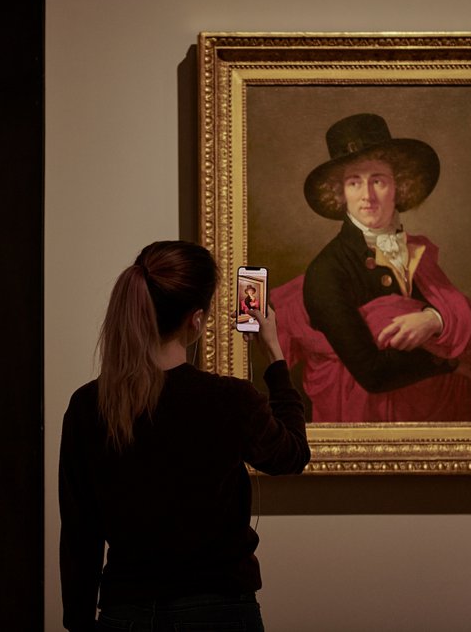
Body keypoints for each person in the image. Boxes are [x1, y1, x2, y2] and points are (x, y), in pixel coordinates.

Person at [59, 240, 310, 632]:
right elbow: (292, 456)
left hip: (126, 611)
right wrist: (274, 354)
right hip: (219, 611)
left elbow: (80, 532)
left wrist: (78, 621)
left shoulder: (89, 405)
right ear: (196, 320)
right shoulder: (228, 400)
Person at [271, 113, 471, 422]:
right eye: (354, 182)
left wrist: (434, 319)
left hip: (425, 418)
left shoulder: (418, 255)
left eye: (378, 180)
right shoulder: (326, 271)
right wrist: (448, 364)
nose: (367, 196)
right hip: (359, 419)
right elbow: (373, 374)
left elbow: (464, 315)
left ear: (398, 186)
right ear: (341, 193)